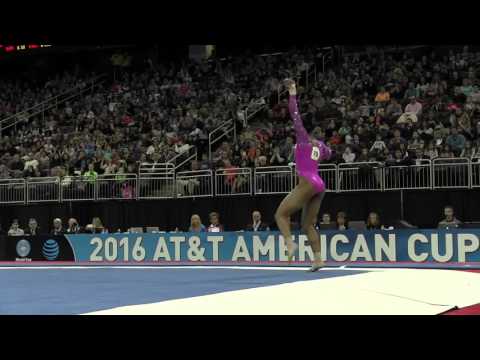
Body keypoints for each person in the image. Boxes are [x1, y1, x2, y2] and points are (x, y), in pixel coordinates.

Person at [274, 79, 332, 272]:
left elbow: (295, 115)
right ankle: (318, 259)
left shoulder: (303, 139)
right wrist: (320, 146)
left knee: (281, 215)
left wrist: (292, 92)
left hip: (307, 181)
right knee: (307, 225)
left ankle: (290, 244)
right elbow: (329, 153)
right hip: (319, 183)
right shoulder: (320, 147)